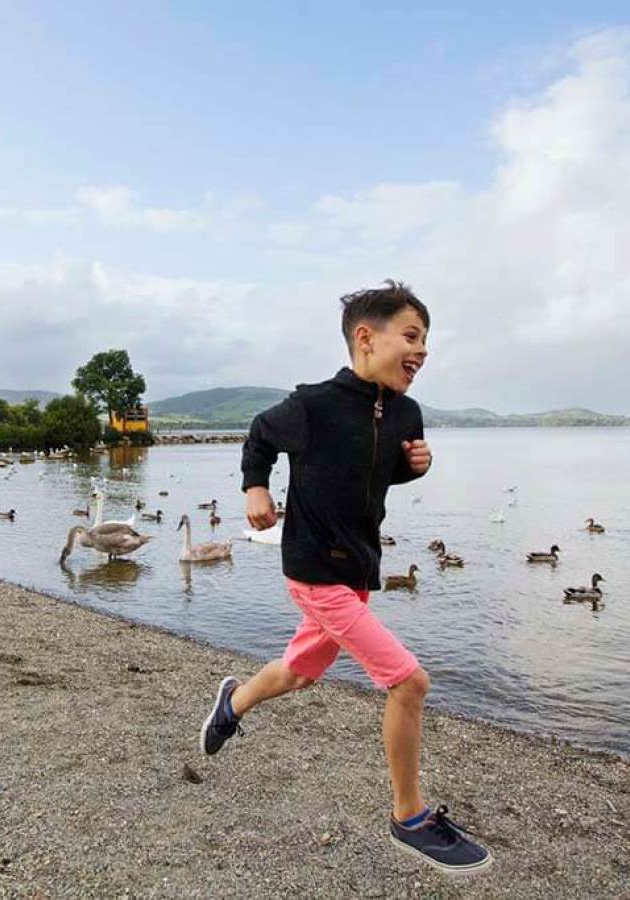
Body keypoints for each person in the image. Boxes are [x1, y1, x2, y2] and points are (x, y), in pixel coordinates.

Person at [199, 280, 492, 875]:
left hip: (357, 568)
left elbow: (374, 474)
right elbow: (259, 435)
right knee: (409, 683)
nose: (423, 352)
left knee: (302, 672)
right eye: (411, 336)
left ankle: (232, 702)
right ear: (366, 337)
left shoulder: (407, 412)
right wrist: (256, 486)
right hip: (312, 568)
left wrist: (417, 467)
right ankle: (408, 817)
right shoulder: (313, 404)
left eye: (426, 342)